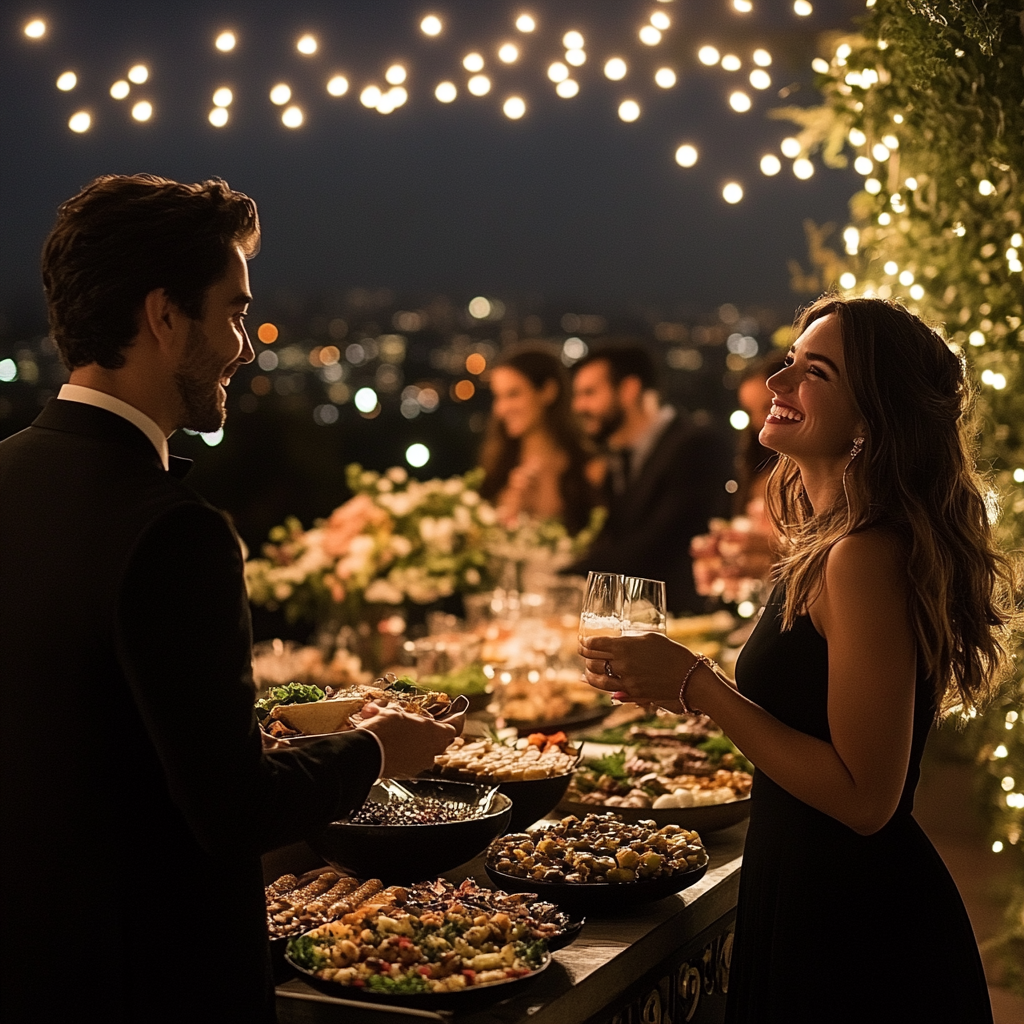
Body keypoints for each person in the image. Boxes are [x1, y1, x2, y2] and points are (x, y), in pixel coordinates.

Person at [0, 174, 459, 1023]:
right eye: (236, 312)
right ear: (164, 317)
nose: (246, 347)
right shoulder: (174, 529)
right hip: (150, 976)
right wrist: (376, 751)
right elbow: (231, 807)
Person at [581, 296, 1016, 1023]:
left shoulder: (861, 557)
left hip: (856, 924)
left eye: (814, 372)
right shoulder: (827, 541)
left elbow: (866, 801)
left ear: (871, 419)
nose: (778, 384)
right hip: (803, 882)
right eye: (789, 362)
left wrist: (697, 684)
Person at [568, 344, 731, 614]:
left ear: (629, 389)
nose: (579, 406)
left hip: (686, 621)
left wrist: (565, 574)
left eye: (589, 393)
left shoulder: (696, 445)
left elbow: (661, 542)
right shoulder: (618, 460)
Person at [691, 350, 786, 604]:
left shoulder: (816, 477)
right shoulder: (757, 473)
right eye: (750, 411)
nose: (759, 423)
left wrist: (775, 550)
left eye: (768, 407)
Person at [478, 347, 597, 534]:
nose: (501, 409)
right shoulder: (496, 468)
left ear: (548, 391)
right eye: (498, 397)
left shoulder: (587, 468)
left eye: (513, 394)